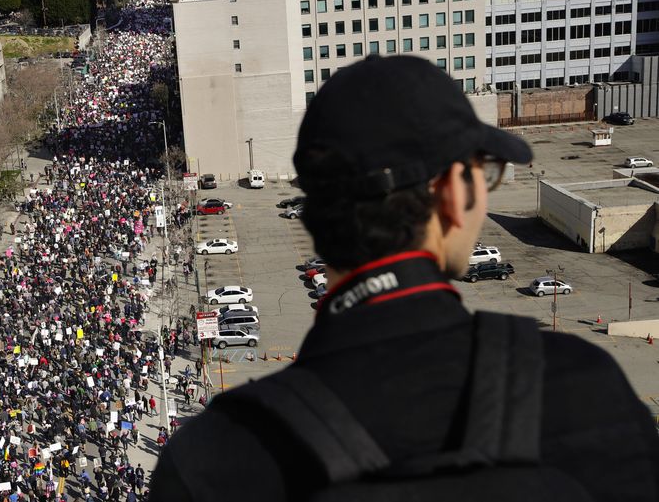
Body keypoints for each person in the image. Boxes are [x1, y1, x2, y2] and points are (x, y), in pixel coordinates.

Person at [148, 55, 659, 501]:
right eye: (485, 175)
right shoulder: (580, 394)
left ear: (314, 215)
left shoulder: (211, 458)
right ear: (454, 197)